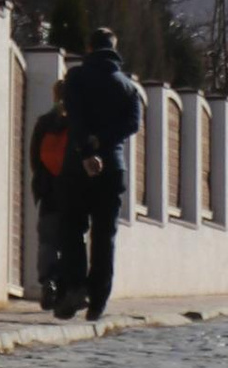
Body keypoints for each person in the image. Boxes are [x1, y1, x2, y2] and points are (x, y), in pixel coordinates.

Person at [59, 27, 143, 323]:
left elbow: (75, 115)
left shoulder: (77, 78)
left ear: (89, 46)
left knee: (72, 228)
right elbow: (133, 124)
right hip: (113, 167)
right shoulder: (127, 86)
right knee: (104, 235)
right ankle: (98, 301)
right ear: (114, 48)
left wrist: (85, 151)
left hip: (77, 166)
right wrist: (103, 143)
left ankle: (75, 287)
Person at [28, 75, 76, 312]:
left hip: (49, 190)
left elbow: (34, 159)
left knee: (47, 240)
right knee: (73, 240)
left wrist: (43, 180)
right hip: (73, 190)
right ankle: (68, 287)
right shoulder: (79, 122)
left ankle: (48, 282)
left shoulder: (44, 122)